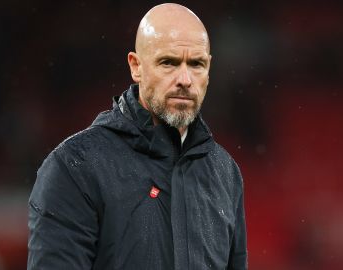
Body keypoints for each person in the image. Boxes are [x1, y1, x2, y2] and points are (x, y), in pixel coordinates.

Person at [27, 3, 247, 270]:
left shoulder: (225, 173)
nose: (185, 79)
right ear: (136, 66)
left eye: (197, 64)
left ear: (209, 69)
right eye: (169, 62)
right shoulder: (75, 168)